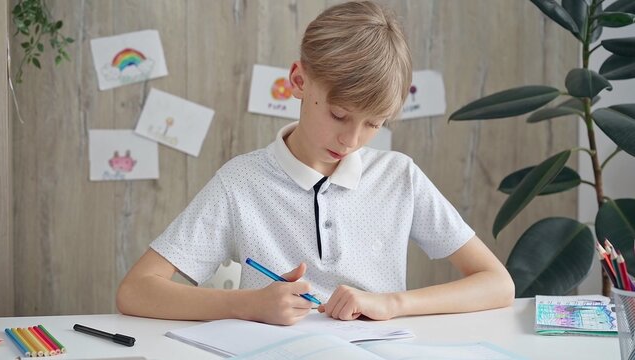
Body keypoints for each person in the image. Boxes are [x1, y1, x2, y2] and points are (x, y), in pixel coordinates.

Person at [116, 0, 514, 326]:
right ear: (299, 80)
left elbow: (498, 284)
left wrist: (393, 303)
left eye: (373, 124)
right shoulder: (240, 182)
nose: (351, 140)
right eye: (339, 115)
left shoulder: (399, 177)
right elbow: (136, 290)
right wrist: (246, 304)